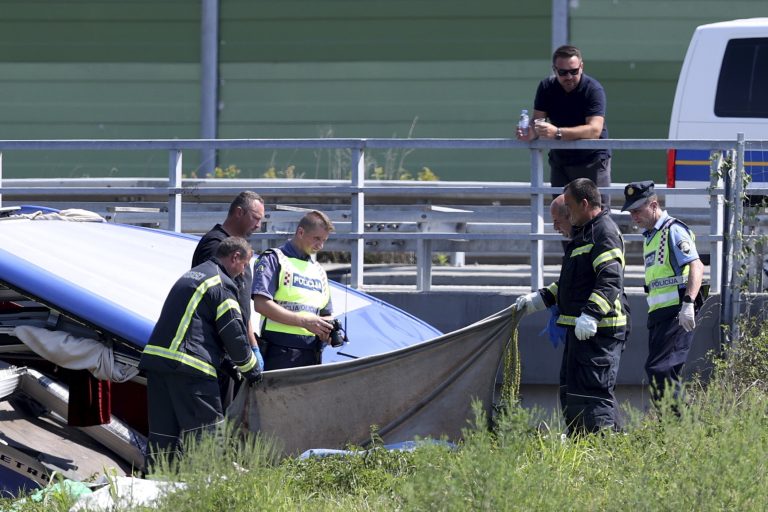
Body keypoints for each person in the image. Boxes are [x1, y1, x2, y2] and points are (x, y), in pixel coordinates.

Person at [515, 178, 629, 435]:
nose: (567, 211)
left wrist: (591, 314)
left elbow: (610, 279)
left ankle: (606, 452)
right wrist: (541, 298)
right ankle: (584, 446)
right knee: (574, 394)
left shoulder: (603, 233)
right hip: (582, 332)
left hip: (599, 332)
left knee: (593, 397)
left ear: (584, 204)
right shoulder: (585, 234)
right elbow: (572, 283)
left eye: (569, 205)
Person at [139, 237, 262, 466]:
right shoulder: (222, 284)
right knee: (208, 439)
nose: (244, 271)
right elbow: (233, 333)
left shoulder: (194, 275)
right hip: (190, 368)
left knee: (162, 441)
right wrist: (251, 369)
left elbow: (196, 325)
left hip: (159, 364)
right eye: (245, 264)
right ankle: (206, 495)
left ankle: (154, 492)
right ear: (235, 257)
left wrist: (224, 362)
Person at [622, 181, 704, 404]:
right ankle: (674, 429)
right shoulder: (651, 236)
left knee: (661, 370)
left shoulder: (673, 230)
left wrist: (688, 302)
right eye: (631, 212)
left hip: (677, 312)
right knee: (662, 373)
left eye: (637, 210)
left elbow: (696, 266)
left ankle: (682, 426)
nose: (633, 217)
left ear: (654, 205)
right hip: (659, 315)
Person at [192, 191, 265, 405]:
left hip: (232, 348)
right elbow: (217, 303)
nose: (259, 225)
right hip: (216, 352)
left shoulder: (238, 248)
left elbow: (242, 306)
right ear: (239, 212)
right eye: (256, 218)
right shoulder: (216, 246)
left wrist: (252, 344)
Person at [517, 45, 612, 207]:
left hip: (591, 160)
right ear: (555, 70)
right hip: (561, 161)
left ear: (581, 66)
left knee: (596, 214)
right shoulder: (547, 87)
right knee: (562, 213)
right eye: (563, 72)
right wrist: (530, 133)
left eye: (574, 71)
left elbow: (594, 130)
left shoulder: (592, 89)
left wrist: (558, 132)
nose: (569, 76)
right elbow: (537, 121)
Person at [252, 210, 335, 370]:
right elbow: (261, 304)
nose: (320, 245)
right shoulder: (273, 259)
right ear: (301, 232)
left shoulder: (319, 271)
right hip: (279, 350)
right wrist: (303, 321)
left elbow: (326, 313)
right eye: (317, 238)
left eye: (324, 240)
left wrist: (329, 331)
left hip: (312, 353)